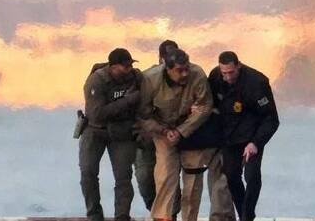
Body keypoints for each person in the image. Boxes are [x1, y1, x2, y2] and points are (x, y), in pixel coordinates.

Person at [138, 49, 233, 221]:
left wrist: (182, 131)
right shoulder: (150, 79)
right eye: (179, 70)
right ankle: (163, 217)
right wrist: (164, 131)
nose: (185, 74)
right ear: (167, 68)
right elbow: (143, 115)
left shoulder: (197, 74)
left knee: (193, 178)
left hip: (191, 130)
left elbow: (205, 105)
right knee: (165, 174)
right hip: (163, 130)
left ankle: (189, 218)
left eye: (186, 68)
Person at [208, 51, 279, 221]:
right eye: (224, 73)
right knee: (231, 176)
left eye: (231, 72)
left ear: (238, 65)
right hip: (230, 136)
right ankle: (244, 215)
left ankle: (247, 215)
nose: (228, 77)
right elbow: (210, 101)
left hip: (252, 136)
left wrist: (255, 143)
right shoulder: (216, 77)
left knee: (251, 176)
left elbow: (271, 119)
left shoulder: (257, 82)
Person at [79, 48, 143, 221]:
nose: (129, 69)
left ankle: (122, 216)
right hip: (95, 130)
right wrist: (127, 101)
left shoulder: (136, 77)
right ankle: (94, 215)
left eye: (130, 65)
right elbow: (97, 114)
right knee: (88, 173)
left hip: (122, 131)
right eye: (125, 66)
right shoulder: (97, 80)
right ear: (112, 66)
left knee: (123, 176)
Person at [136, 40, 181, 213]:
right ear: (160, 58)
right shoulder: (148, 78)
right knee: (144, 177)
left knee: (169, 176)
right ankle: (155, 210)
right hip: (147, 135)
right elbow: (138, 109)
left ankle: (170, 213)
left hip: (170, 134)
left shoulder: (184, 76)